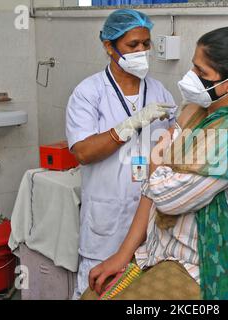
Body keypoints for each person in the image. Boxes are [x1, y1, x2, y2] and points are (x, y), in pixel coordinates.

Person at [85, 25, 228, 300]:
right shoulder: (200, 112)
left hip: (219, 269)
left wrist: (158, 158)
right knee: (92, 296)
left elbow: (166, 196)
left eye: (202, 73)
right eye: (193, 67)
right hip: (170, 254)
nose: (191, 77)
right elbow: (151, 189)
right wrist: (123, 255)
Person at [65, 9, 177, 299]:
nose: (141, 51)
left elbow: (172, 150)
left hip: (150, 219)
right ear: (108, 46)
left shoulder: (159, 91)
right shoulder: (89, 93)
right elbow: (83, 152)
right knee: (97, 290)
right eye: (132, 45)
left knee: (140, 294)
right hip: (107, 218)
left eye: (146, 43)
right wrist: (129, 125)